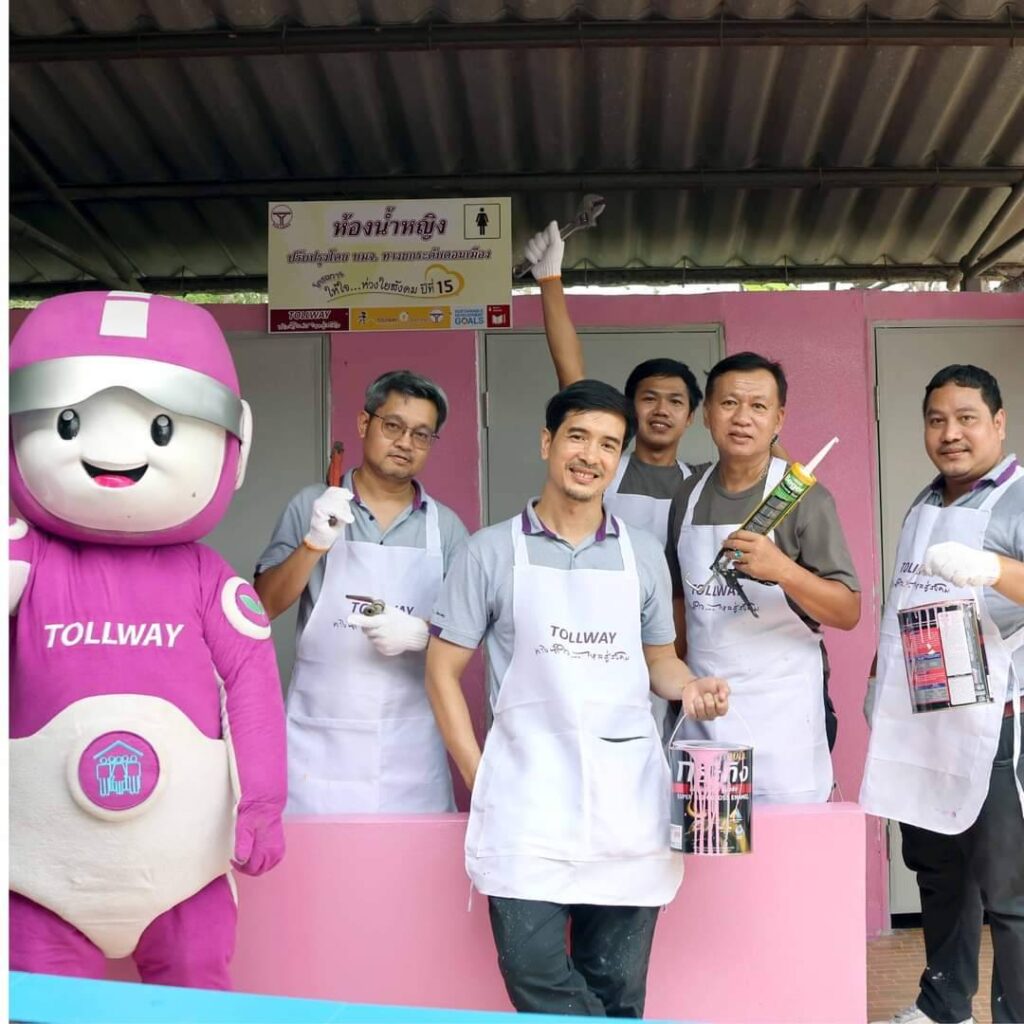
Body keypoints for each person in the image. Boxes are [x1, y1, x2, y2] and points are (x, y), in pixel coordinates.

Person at [425, 379, 730, 1017]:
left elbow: (659, 661)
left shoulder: (642, 556)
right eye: (578, 437)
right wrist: (481, 773)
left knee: (617, 989)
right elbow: (442, 670)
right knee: (531, 970)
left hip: (626, 800)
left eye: (608, 445)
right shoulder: (489, 552)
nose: (591, 456)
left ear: (618, 459)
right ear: (548, 442)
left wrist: (690, 686)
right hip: (526, 799)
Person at [9, 291, 286, 988]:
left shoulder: (207, 580)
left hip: (181, 871)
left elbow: (252, 691)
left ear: (234, 444)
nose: (114, 451)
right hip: (38, 869)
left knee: (194, 990)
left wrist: (261, 804)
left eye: (162, 428)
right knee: (42, 1002)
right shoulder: (24, 561)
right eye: (69, 422)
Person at [862, 365, 1024, 1024]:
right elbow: (905, 599)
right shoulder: (926, 501)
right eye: (937, 420)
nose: (950, 433)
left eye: (966, 419)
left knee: (1009, 888)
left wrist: (993, 569)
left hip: (996, 723)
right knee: (938, 872)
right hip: (923, 716)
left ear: (998, 423)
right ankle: (943, 1004)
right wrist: (879, 679)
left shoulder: (1017, 497)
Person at [255, 370, 469, 814]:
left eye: (421, 434)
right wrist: (314, 543)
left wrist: (423, 633)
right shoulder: (313, 505)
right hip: (319, 745)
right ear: (363, 423)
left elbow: (468, 635)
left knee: (411, 858)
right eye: (393, 426)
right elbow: (262, 606)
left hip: (410, 747)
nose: (405, 443)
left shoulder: (446, 529)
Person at [666, 351, 861, 802]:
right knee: (710, 837)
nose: (742, 418)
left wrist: (783, 570)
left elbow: (848, 610)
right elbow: (679, 603)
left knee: (785, 840)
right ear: (707, 415)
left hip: (784, 716)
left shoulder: (806, 499)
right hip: (707, 716)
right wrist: (672, 687)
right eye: (729, 403)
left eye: (758, 406)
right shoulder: (687, 495)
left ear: (779, 419)